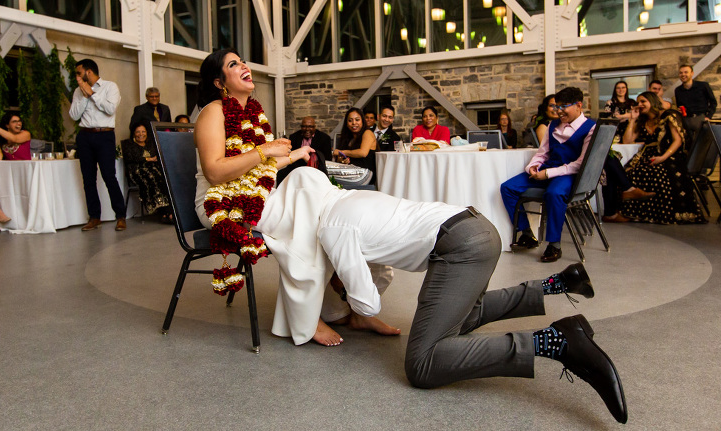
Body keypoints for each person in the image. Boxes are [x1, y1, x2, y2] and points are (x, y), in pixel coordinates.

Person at [255, 168, 627, 424]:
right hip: (480, 228)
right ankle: (556, 284)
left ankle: (555, 342)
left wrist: (341, 286)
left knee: (424, 364)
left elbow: (368, 303)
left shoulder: (331, 228)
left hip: (458, 248)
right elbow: (381, 258)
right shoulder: (348, 198)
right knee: (463, 317)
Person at [193, 48, 324, 333]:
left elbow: (262, 167)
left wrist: (296, 154)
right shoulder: (212, 113)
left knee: (309, 184)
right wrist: (265, 149)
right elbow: (215, 172)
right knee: (307, 222)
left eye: (242, 60)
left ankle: (333, 295)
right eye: (233, 64)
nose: (243, 65)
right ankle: (308, 318)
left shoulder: (254, 112)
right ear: (219, 83)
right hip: (222, 201)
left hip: (256, 193)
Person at [500, 87, 595, 263]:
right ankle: (527, 234)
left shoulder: (590, 128)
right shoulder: (552, 125)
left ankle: (554, 244)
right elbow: (542, 153)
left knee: (554, 193)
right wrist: (533, 167)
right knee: (508, 188)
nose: (558, 111)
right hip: (546, 170)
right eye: (557, 107)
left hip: (568, 174)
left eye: (563, 107)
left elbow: (580, 164)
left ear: (579, 105)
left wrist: (549, 173)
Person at [619, 91, 705, 224]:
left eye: (643, 101)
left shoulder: (669, 115)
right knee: (631, 173)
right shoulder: (642, 120)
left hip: (668, 154)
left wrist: (663, 157)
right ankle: (639, 213)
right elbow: (626, 140)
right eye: (638, 102)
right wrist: (632, 120)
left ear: (652, 101)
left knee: (658, 174)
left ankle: (662, 214)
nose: (639, 105)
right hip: (647, 154)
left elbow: (677, 140)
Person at [69, 58, 128, 232]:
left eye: (79, 73)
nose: (77, 77)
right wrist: (84, 96)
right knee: (88, 179)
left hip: (105, 135)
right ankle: (94, 217)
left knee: (109, 176)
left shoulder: (110, 87)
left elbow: (110, 109)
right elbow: (74, 115)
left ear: (88, 72)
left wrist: (93, 95)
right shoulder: (78, 92)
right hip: (85, 136)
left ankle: (120, 216)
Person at [121, 121, 171, 221]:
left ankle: (167, 212)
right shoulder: (128, 144)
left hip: (154, 169)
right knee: (152, 177)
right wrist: (148, 159)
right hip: (137, 171)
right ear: (133, 133)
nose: (141, 134)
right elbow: (130, 158)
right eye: (138, 132)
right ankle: (166, 212)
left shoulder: (151, 144)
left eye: (143, 131)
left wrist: (155, 159)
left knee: (164, 178)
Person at [674, 64, 716, 144]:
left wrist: (708, 116)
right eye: (681, 73)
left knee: (704, 144)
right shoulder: (677, 90)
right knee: (689, 145)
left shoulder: (703, 86)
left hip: (700, 118)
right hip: (686, 121)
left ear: (692, 73)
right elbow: (679, 106)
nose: (683, 75)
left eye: (686, 72)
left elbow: (713, 102)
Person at [333, 107, 377, 180]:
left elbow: (363, 153)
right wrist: (342, 160)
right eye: (350, 120)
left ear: (362, 121)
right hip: (350, 172)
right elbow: (340, 159)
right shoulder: (348, 137)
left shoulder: (367, 133)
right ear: (346, 123)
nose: (354, 123)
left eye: (357, 120)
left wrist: (342, 152)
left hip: (365, 175)